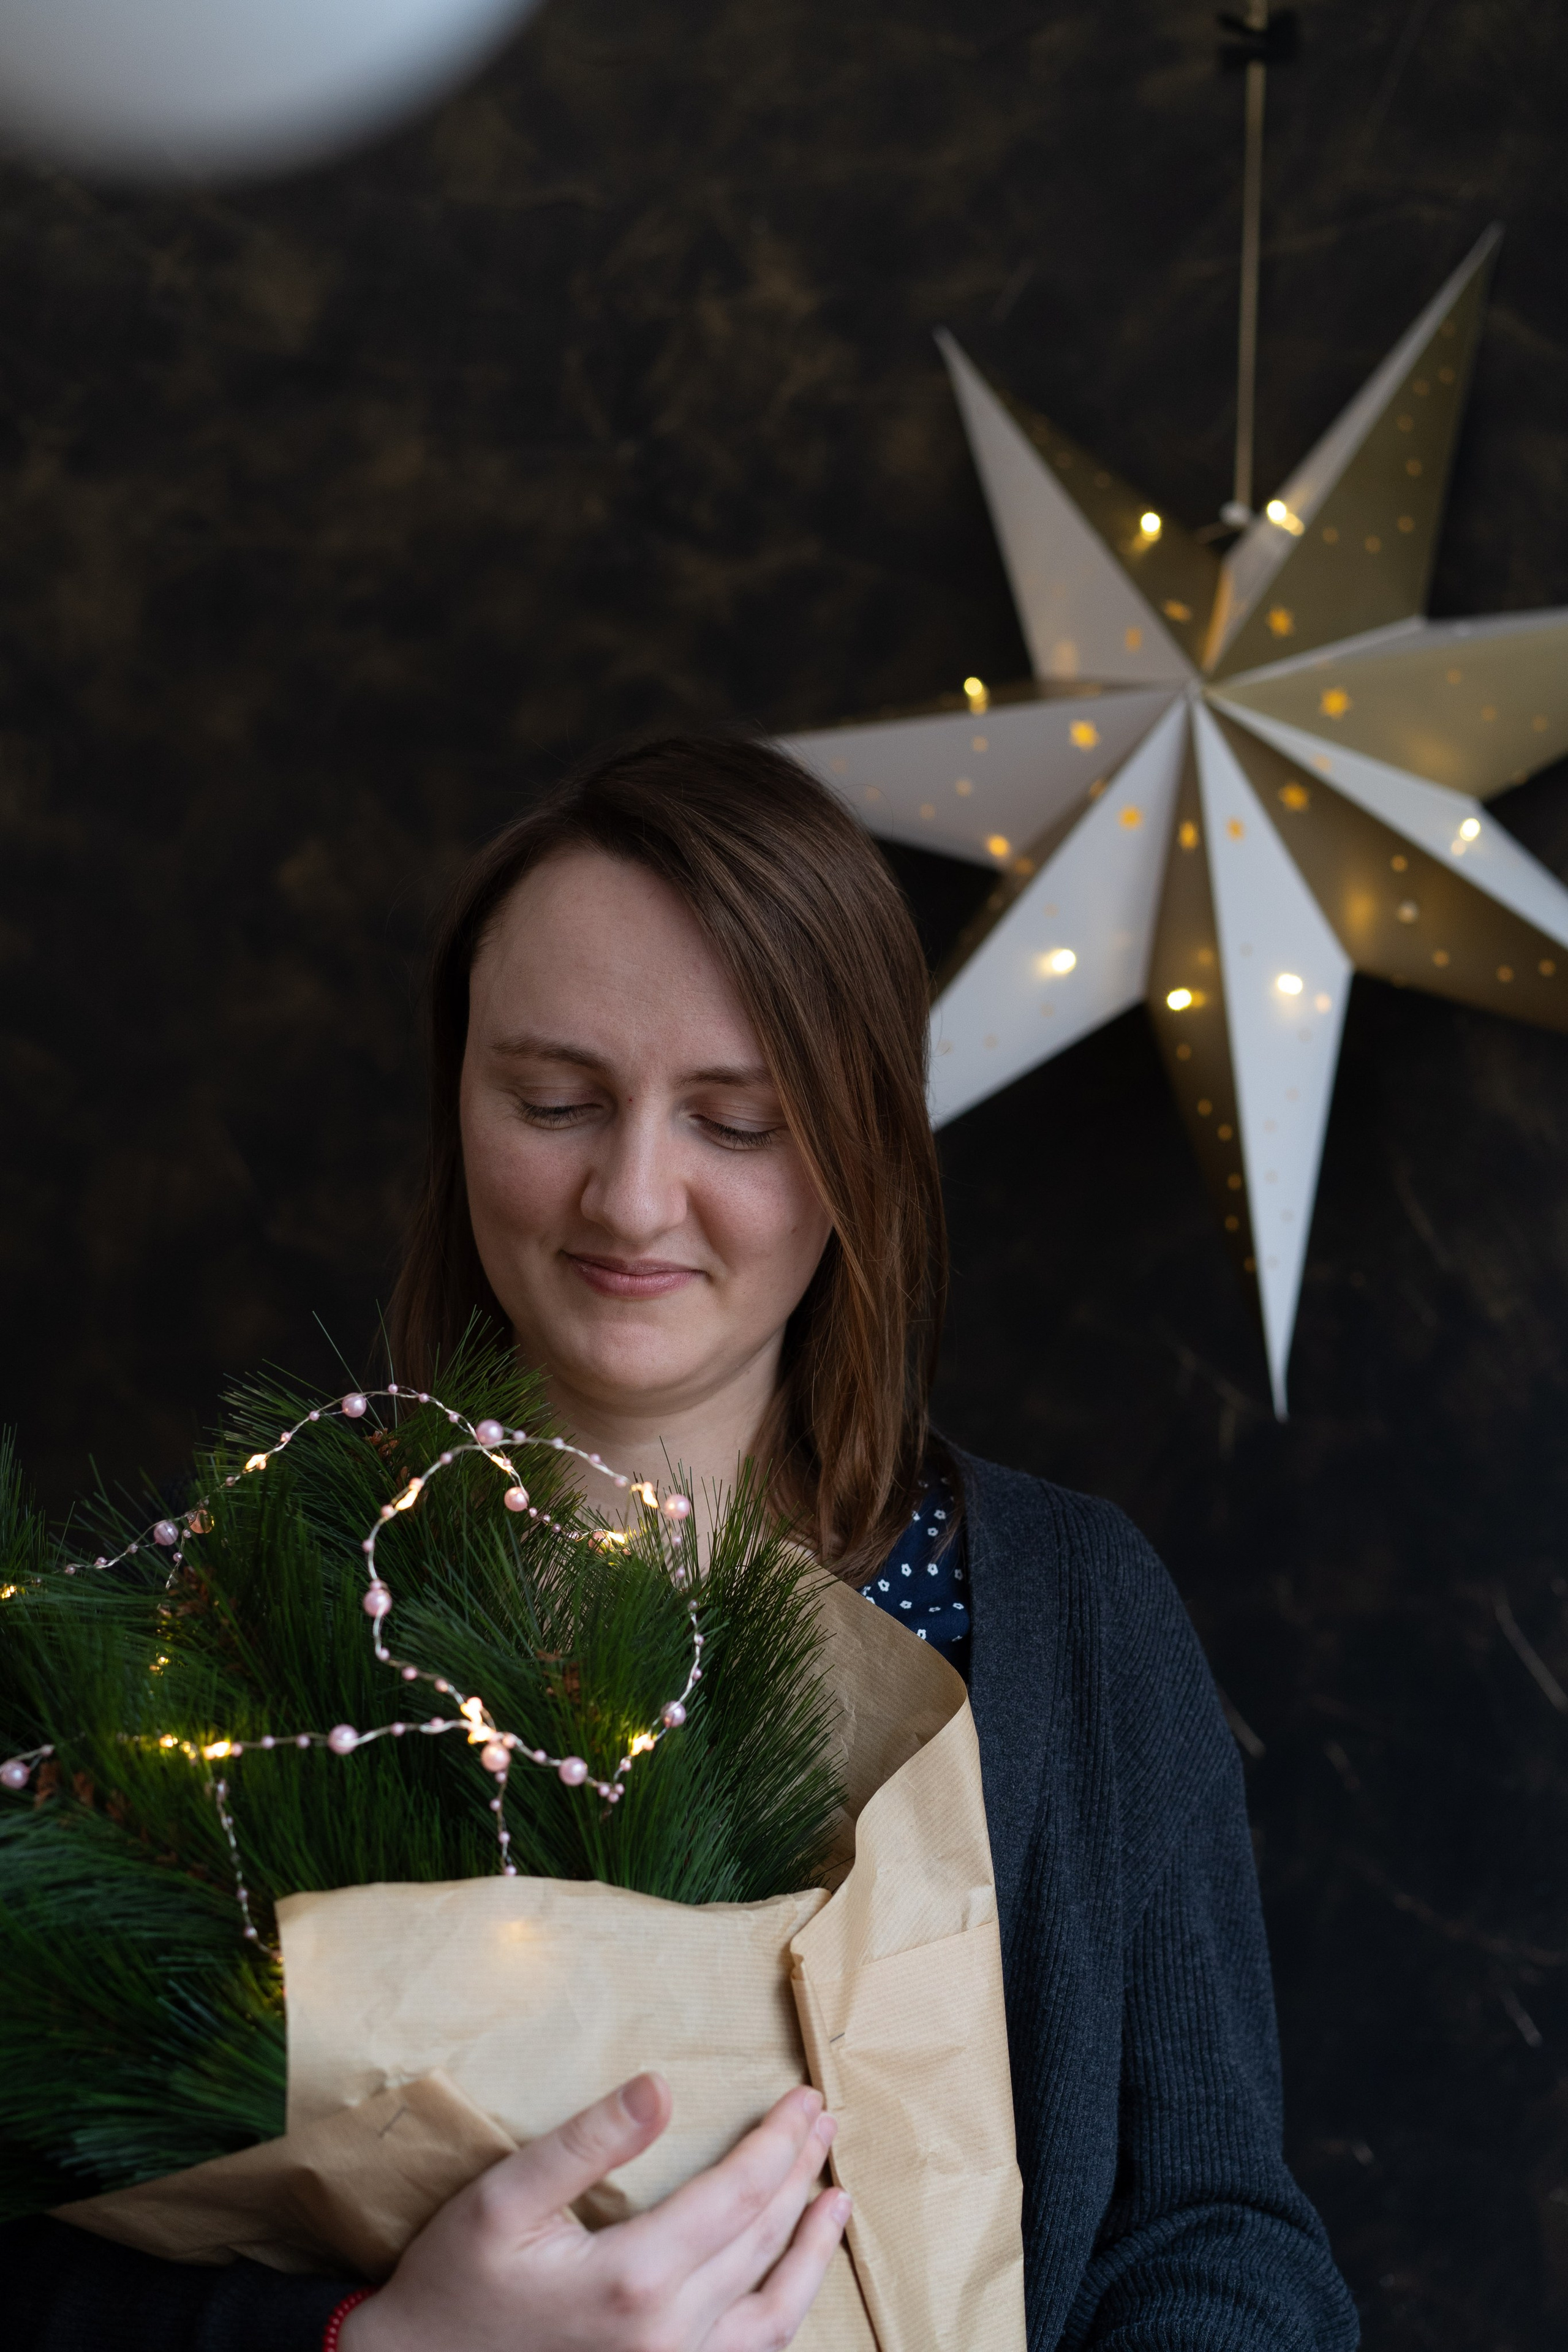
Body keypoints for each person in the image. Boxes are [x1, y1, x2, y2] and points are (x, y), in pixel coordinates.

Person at [6, 736, 1359, 2351]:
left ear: (863, 1148)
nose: (633, 1199)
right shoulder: (234, 1617)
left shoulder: (1065, 1611)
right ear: (458, 1102)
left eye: (736, 1121)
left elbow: (1217, 2224)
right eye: (557, 1101)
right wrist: (382, 2341)